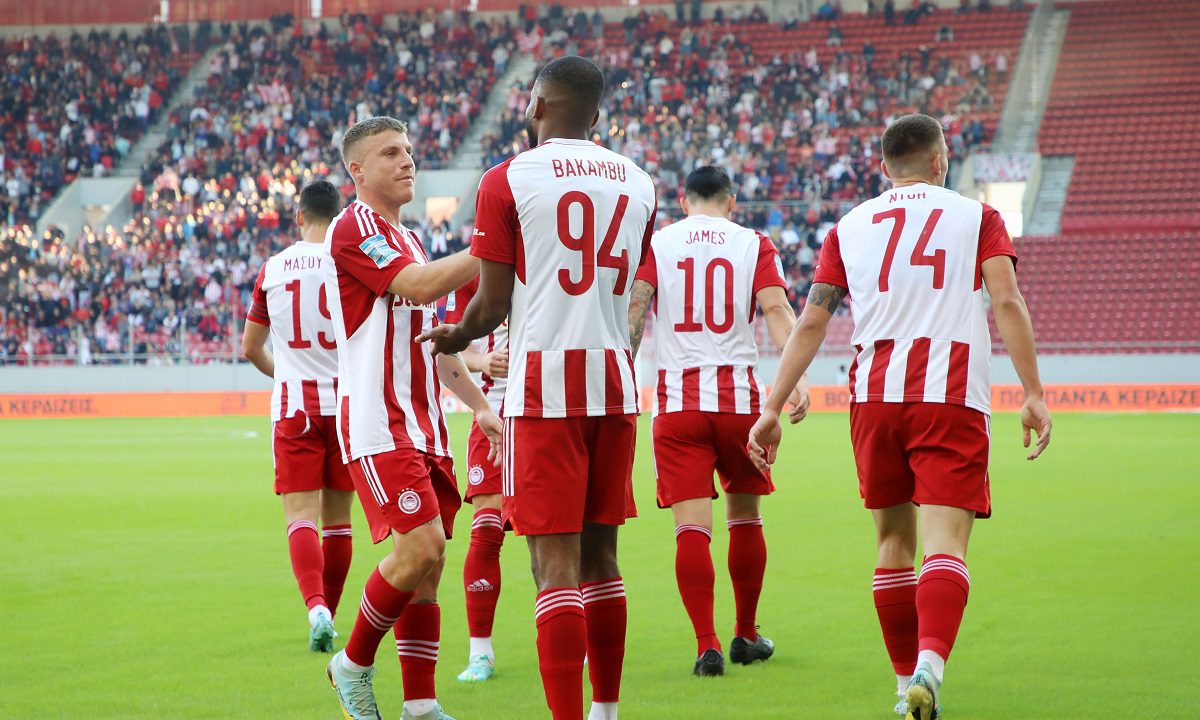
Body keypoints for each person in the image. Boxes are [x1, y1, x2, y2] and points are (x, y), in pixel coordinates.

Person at [747, 114, 1051, 719]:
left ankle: (901, 684)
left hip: (874, 398)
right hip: (949, 394)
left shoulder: (850, 226)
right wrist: (1033, 392)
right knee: (946, 543)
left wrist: (772, 406)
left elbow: (811, 322)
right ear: (940, 161)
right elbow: (1007, 300)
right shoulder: (979, 217)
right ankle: (928, 670)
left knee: (891, 542)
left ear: (884, 168)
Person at [419, 56, 657, 720]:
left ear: (535, 105)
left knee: (553, 567)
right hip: (615, 384)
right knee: (603, 560)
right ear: (597, 116)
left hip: (544, 388)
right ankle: (607, 712)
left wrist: (456, 336)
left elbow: (492, 304)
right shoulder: (640, 183)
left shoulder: (508, 178)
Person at [320, 115, 503, 720]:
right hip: (379, 422)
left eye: (408, 150)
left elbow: (435, 341)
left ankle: (420, 705)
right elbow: (419, 289)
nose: (407, 160)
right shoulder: (355, 227)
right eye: (390, 153)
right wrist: (493, 247)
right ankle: (351, 664)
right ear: (356, 170)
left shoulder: (410, 239)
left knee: (431, 565)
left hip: (425, 425)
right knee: (421, 546)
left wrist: (480, 404)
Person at [626, 166, 810, 677]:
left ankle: (706, 645)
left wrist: (621, 372)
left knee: (691, 527)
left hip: (678, 405)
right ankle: (745, 634)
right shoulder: (754, 243)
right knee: (745, 516)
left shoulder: (659, 243)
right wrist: (794, 380)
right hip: (739, 404)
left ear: (684, 203)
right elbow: (777, 310)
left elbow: (636, 309)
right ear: (731, 202)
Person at [242, 180, 355, 653]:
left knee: (300, 517)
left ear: (299, 216)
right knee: (339, 522)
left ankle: (316, 610)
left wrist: (286, 373)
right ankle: (331, 612)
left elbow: (251, 347)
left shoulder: (273, 268)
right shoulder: (349, 262)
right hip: (346, 407)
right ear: (339, 215)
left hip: (295, 407)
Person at [444, 275, 510, 683]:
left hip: (546, 411)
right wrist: (483, 362)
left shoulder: (547, 256)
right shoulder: (476, 273)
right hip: (492, 413)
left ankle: (575, 636)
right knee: (486, 532)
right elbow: (450, 346)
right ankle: (480, 652)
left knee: (557, 537)